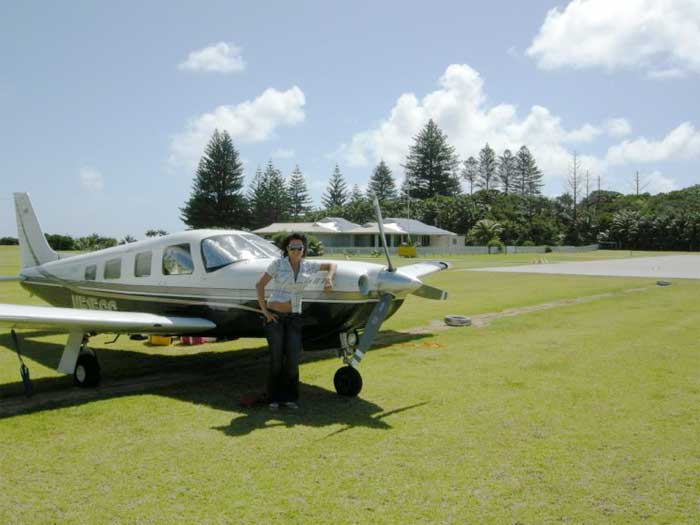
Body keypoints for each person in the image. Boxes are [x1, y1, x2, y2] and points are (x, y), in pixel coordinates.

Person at [256, 233, 337, 410]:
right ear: (287, 249)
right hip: (275, 317)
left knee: (292, 360)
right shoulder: (277, 264)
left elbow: (332, 264)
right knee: (276, 359)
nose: (296, 251)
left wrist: (329, 278)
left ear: (303, 249)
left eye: (299, 248)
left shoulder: (308, 266)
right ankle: (274, 399)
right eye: (292, 248)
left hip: (294, 318)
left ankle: (290, 398)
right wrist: (265, 312)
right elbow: (259, 285)